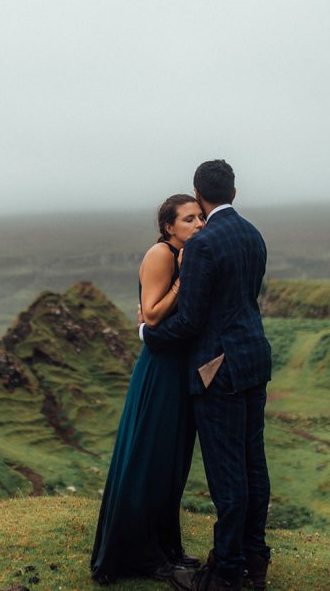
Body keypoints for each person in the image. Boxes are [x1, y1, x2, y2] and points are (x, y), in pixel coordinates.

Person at [141, 160, 272, 591]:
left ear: (199, 195)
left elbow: (192, 320)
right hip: (254, 361)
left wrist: (149, 334)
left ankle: (225, 573)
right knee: (254, 467)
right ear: (234, 192)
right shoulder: (252, 234)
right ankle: (255, 559)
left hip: (219, 371)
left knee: (227, 474)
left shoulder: (202, 245)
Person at [90, 194, 205, 585]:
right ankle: (138, 555)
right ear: (169, 227)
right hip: (160, 369)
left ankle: (166, 548)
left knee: (171, 463)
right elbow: (152, 314)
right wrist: (183, 276)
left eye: (200, 217)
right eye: (189, 219)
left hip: (178, 367)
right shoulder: (163, 255)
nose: (198, 224)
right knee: (151, 460)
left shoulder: (186, 255)